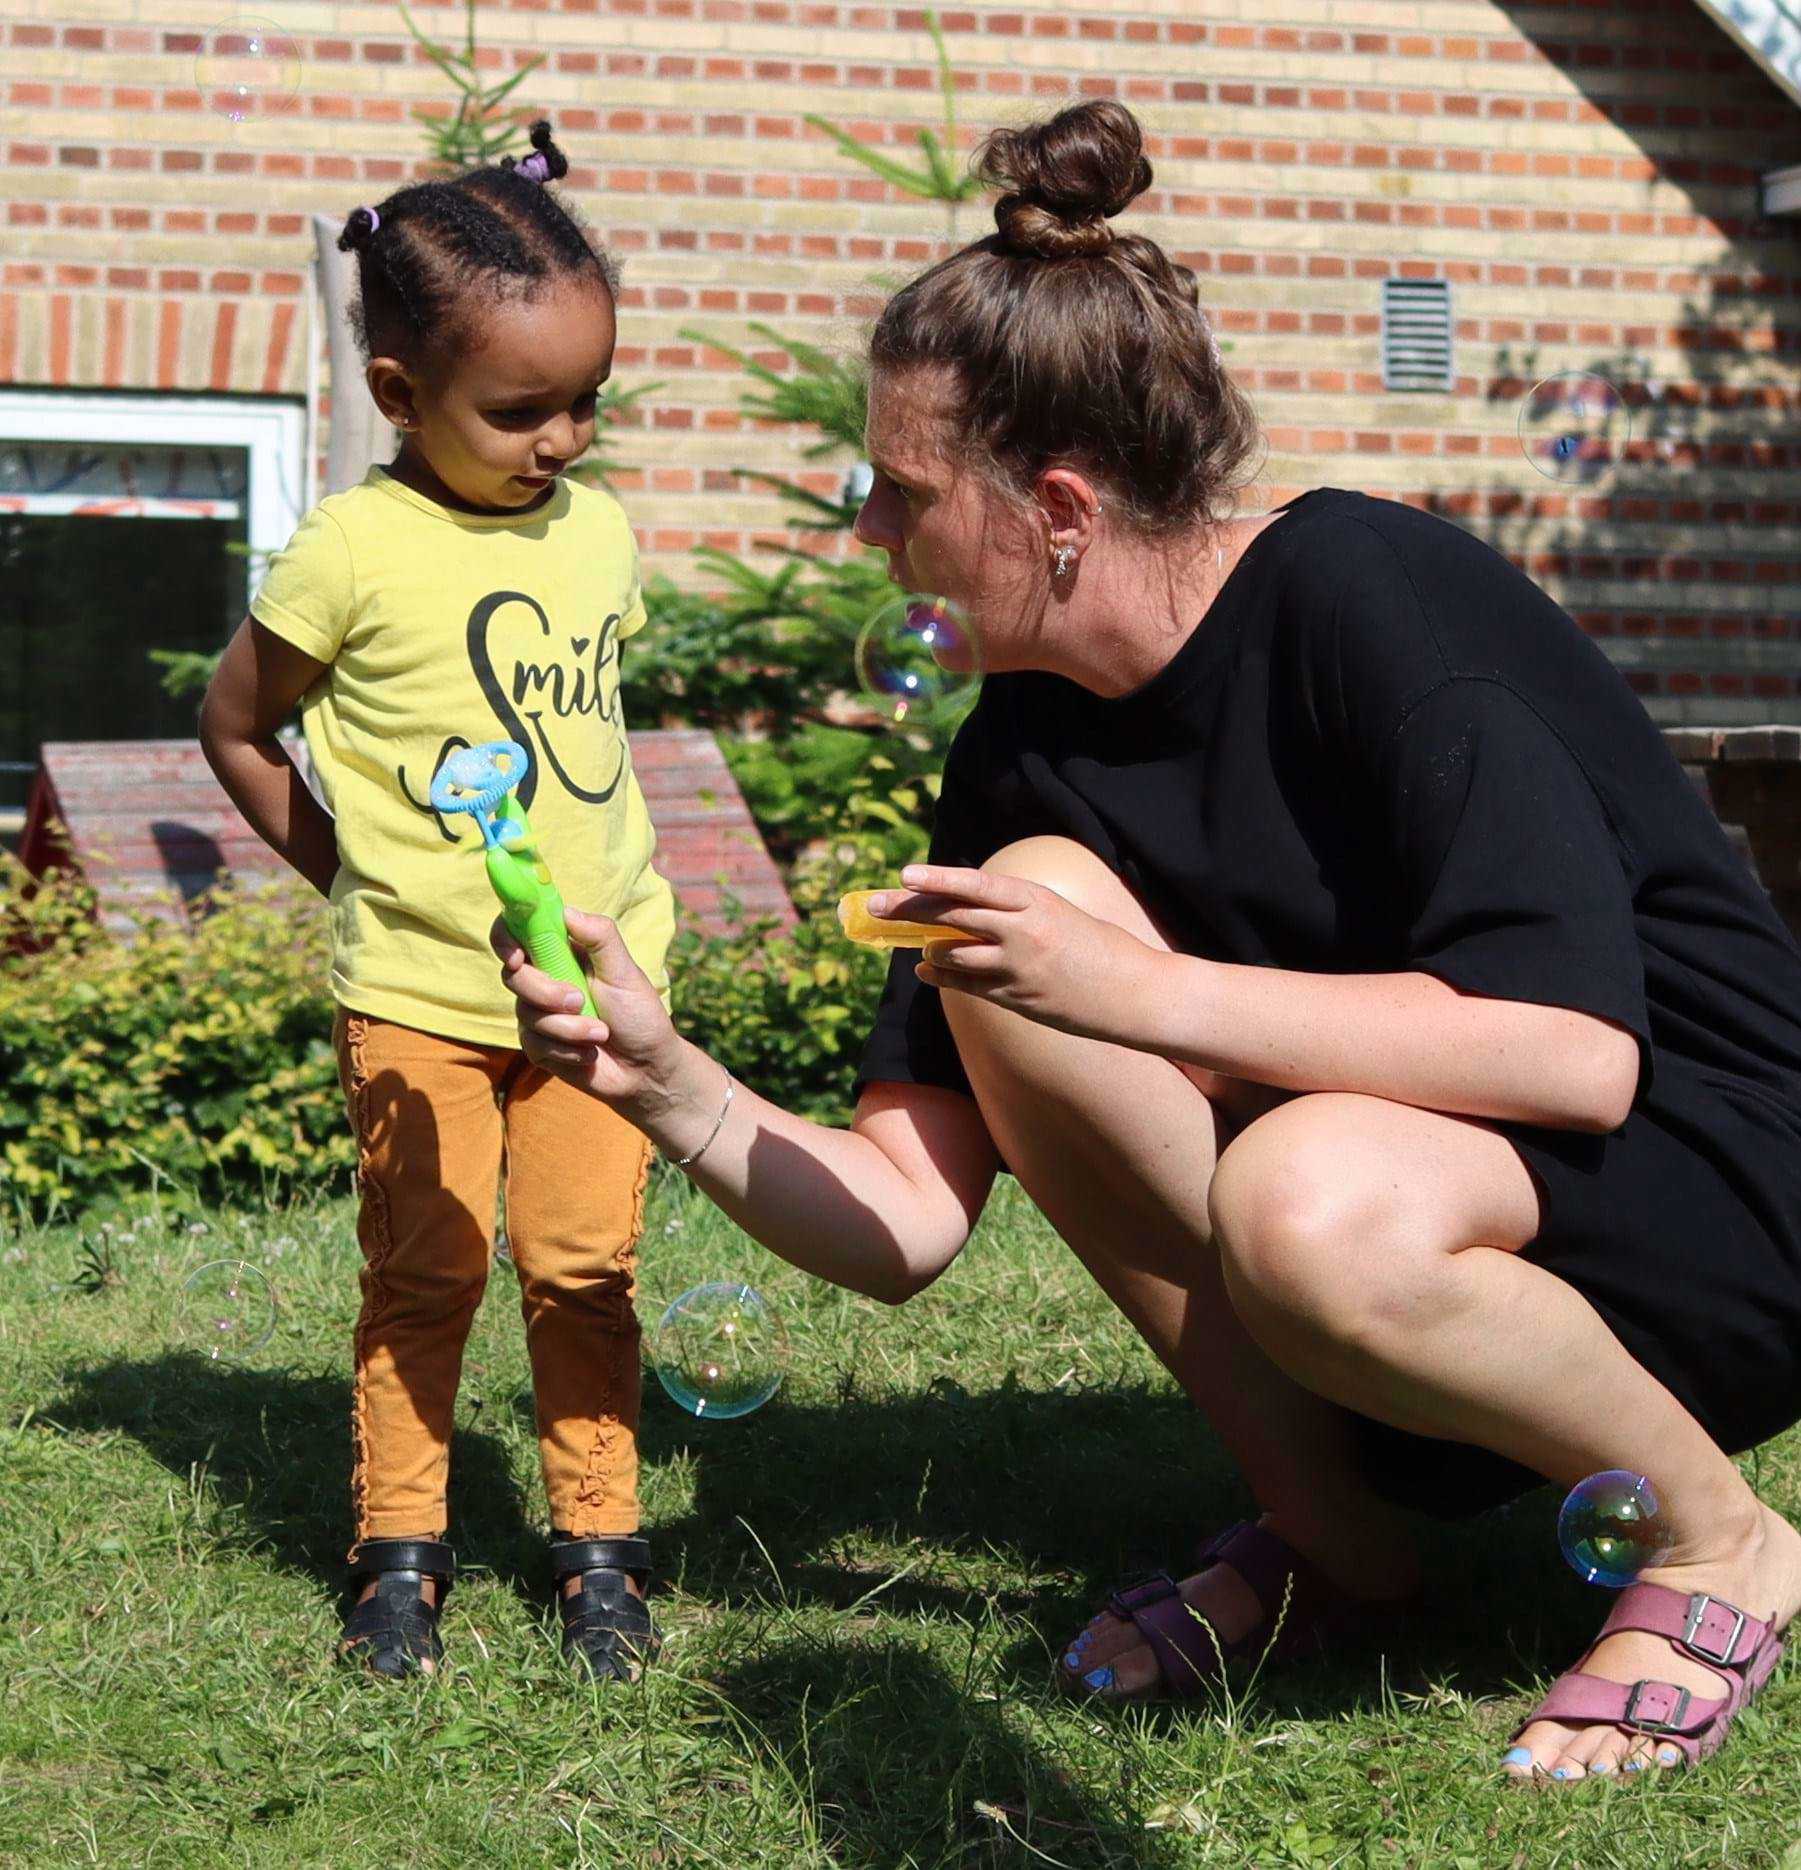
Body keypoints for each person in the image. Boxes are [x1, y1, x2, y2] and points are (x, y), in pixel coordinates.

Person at [496, 100, 1801, 1779]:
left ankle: (1713, 1543)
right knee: (1035, 932)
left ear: (1054, 503)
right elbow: (905, 1225)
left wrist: (1146, 995)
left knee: (1293, 1179)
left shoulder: (1365, 598)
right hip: (1419, 1221)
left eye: (896, 494)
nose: (868, 539)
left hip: (1711, 1197)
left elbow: (1572, 1051)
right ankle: (1339, 1537)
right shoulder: (1018, 750)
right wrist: (667, 1083)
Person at [200, 122, 673, 1683]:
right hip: (421, 1000)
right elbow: (234, 724)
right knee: (429, 1273)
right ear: (401, 396)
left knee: (584, 1264)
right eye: (521, 409)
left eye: (586, 400)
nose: (565, 439)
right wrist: (352, 873)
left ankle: (598, 1550)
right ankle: (398, 1556)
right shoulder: (350, 548)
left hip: (598, 991)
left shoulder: (597, 534)